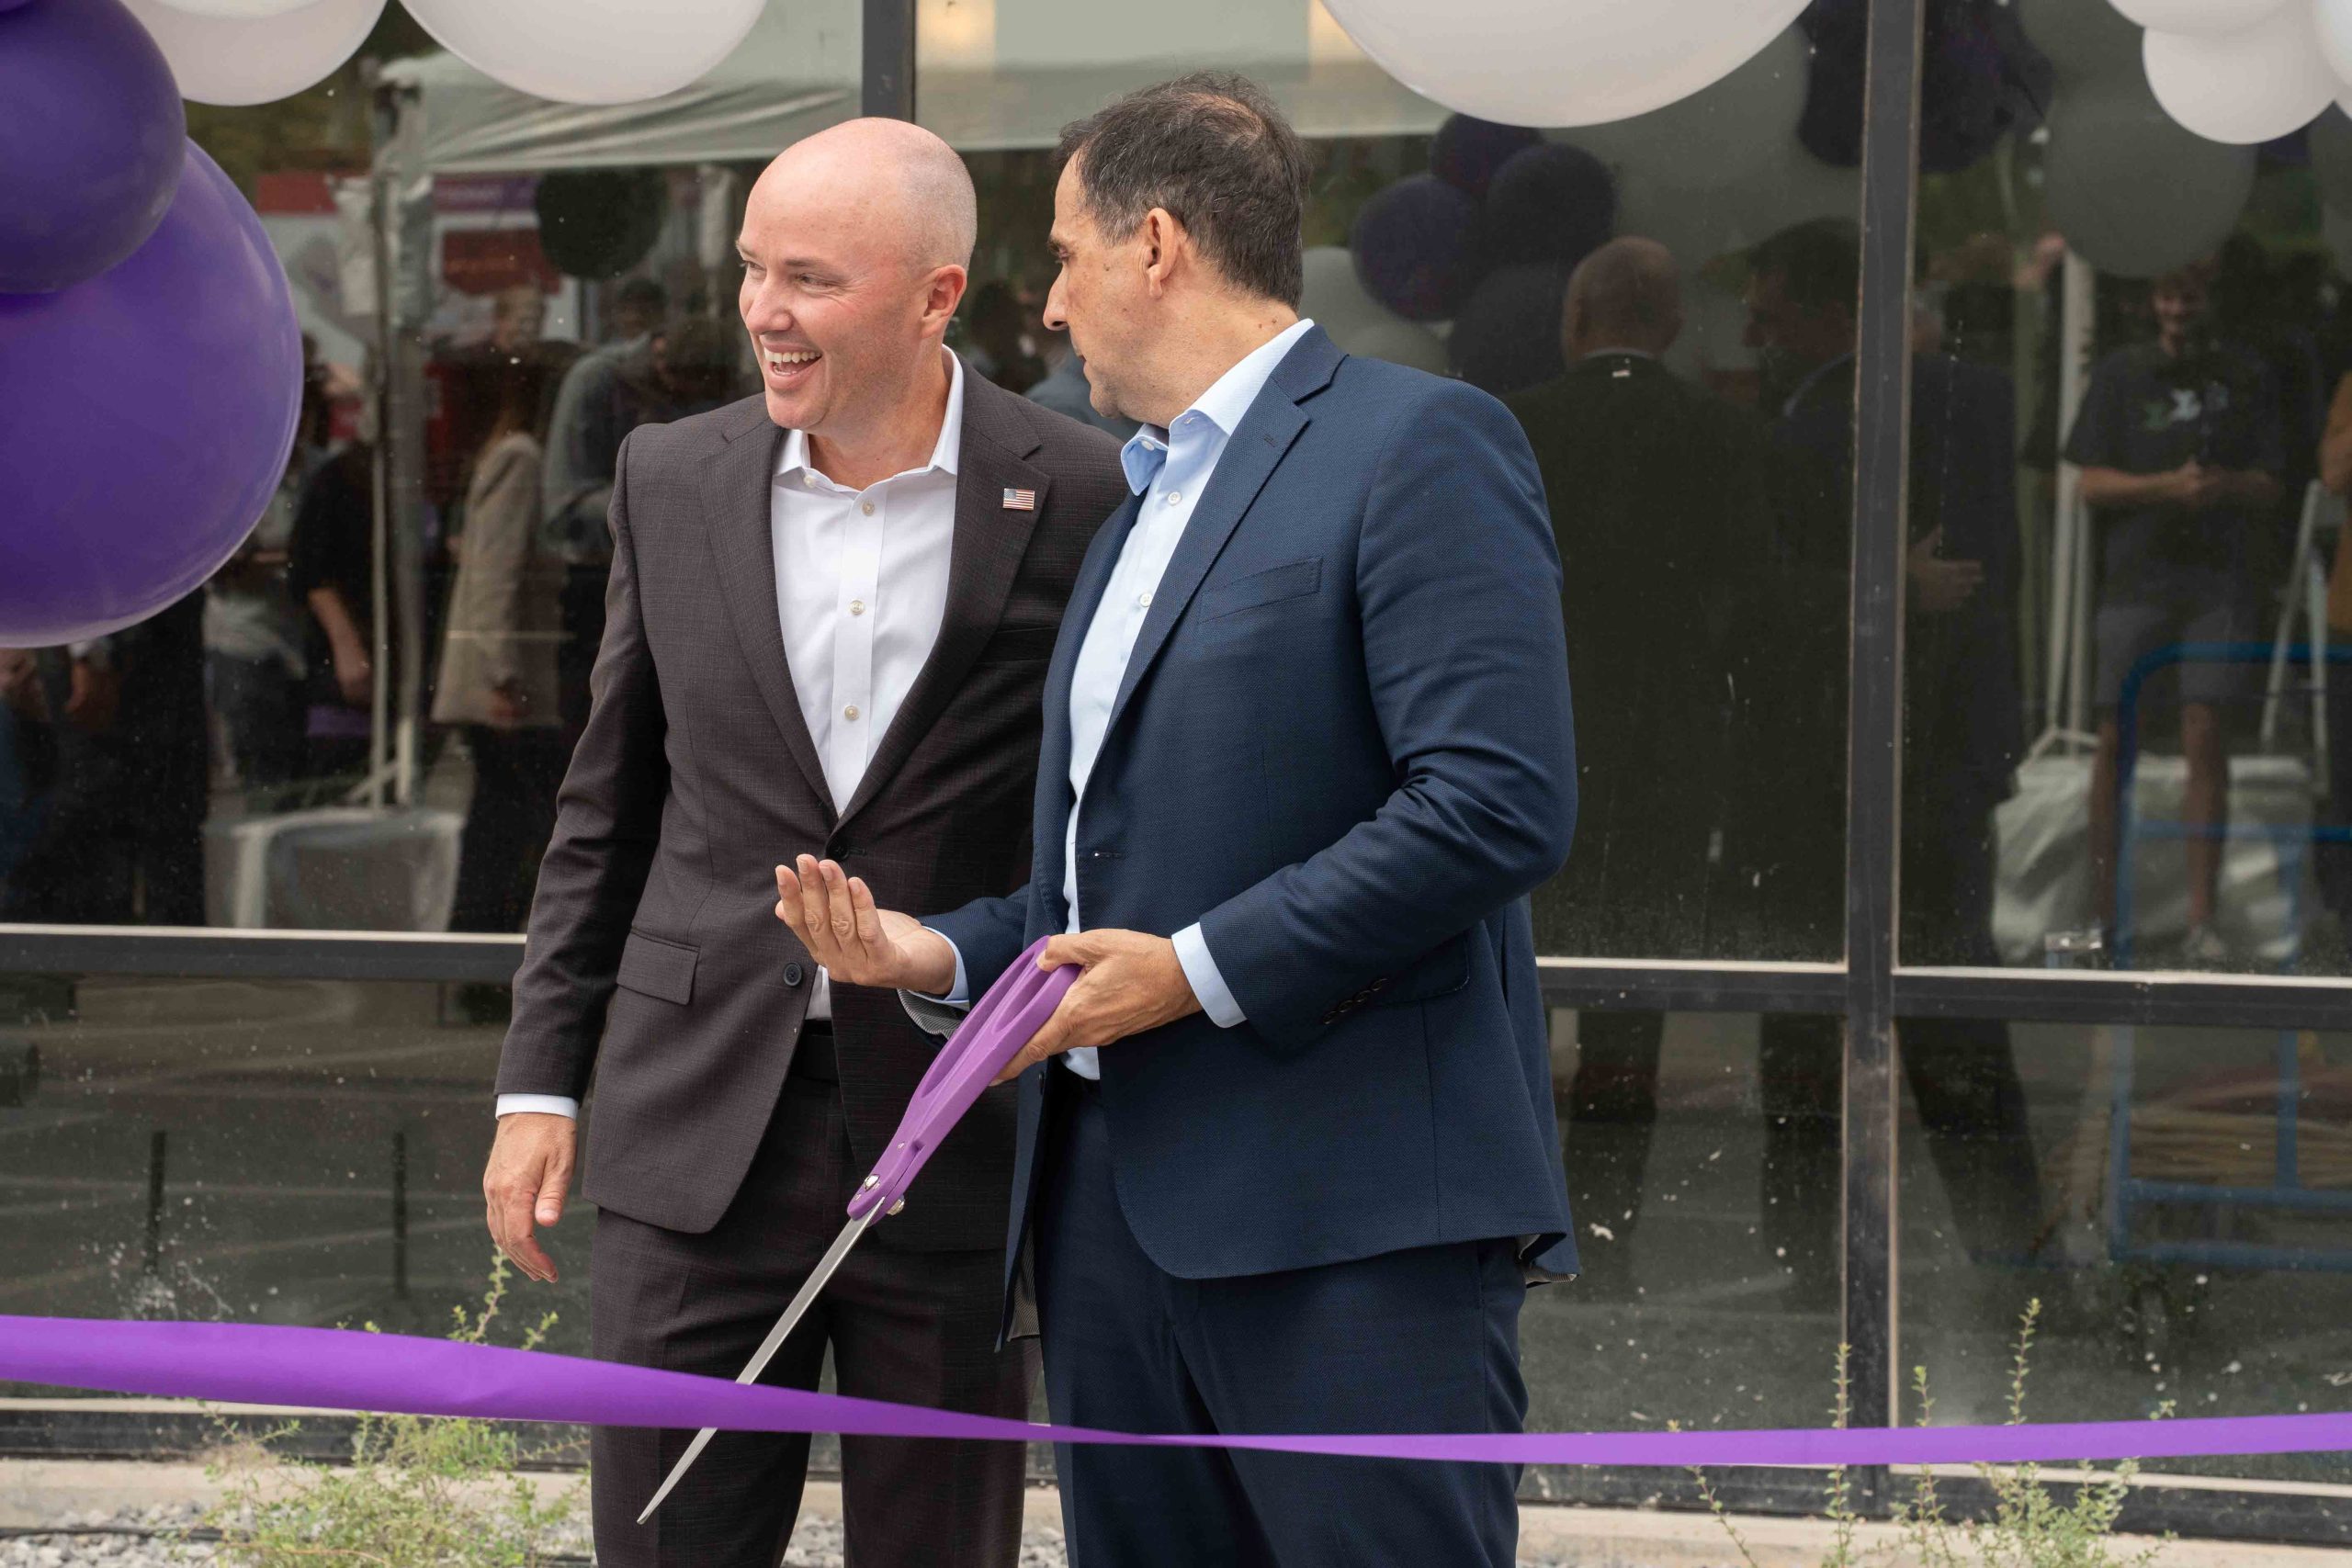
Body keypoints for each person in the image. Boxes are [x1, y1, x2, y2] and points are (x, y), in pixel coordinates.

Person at [776, 73, 1579, 1568]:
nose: (1049, 305)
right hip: (1105, 1225)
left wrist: (1197, 972)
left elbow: (1494, 803)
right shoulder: (1134, 508)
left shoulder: (1421, 441)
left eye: (1065, 255)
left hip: (1347, 1228)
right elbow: (1102, 887)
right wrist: (927, 952)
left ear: (1156, 245)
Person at [480, 119, 1127, 1568]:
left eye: (812, 279)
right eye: (754, 268)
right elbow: (606, 806)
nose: (763, 310)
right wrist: (539, 1081)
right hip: (692, 1125)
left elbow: (1108, 820)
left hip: (952, 1127)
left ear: (937, 296)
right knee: (665, 1543)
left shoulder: (1087, 491)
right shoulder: (670, 474)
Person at [1737, 218, 2044, 1294]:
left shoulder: (1814, 432)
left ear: (1830, 312)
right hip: (1945, 755)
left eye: (1771, 313)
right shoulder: (1971, 401)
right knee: (1952, 1017)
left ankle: (1811, 1254)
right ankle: (2010, 1251)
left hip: (1838, 765)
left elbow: (1770, 600)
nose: (1754, 333)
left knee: (1813, 1019)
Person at [1502, 238, 1773, 1293]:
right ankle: (1604, 1232)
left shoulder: (1516, 425)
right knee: (1631, 992)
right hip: (1667, 746)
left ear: (1574, 321)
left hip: (1535, 740)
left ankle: (1515, 1223)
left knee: (1516, 984)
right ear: (1669, 327)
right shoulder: (1722, 433)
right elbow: (1748, 594)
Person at [2065, 260, 2284, 964]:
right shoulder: (2122, 374)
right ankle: (2103, 919)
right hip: (2136, 580)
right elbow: (2089, 483)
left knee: (2205, 732)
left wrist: (2223, 485)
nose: (2178, 309)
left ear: (2209, 298)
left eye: (2190, 295)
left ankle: (2201, 922)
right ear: (2149, 301)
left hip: (2217, 582)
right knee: (2113, 738)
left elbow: (2276, 482)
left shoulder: (2245, 375)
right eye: (2167, 295)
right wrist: (2168, 486)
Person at [433, 354, 566, 934]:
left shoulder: (509, 452)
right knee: (511, 824)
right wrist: (503, 674)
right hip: (506, 682)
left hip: (504, 674)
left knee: (504, 819)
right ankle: (478, 945)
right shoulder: (521, 457)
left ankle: (478, 945)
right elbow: (496, 571)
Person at [542, 276, 668, 563]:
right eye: (630, 310)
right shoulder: (597, 376)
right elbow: (563, 509)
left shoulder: (647, 381)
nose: (635, 318)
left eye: (645, 311)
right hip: (591, 554)